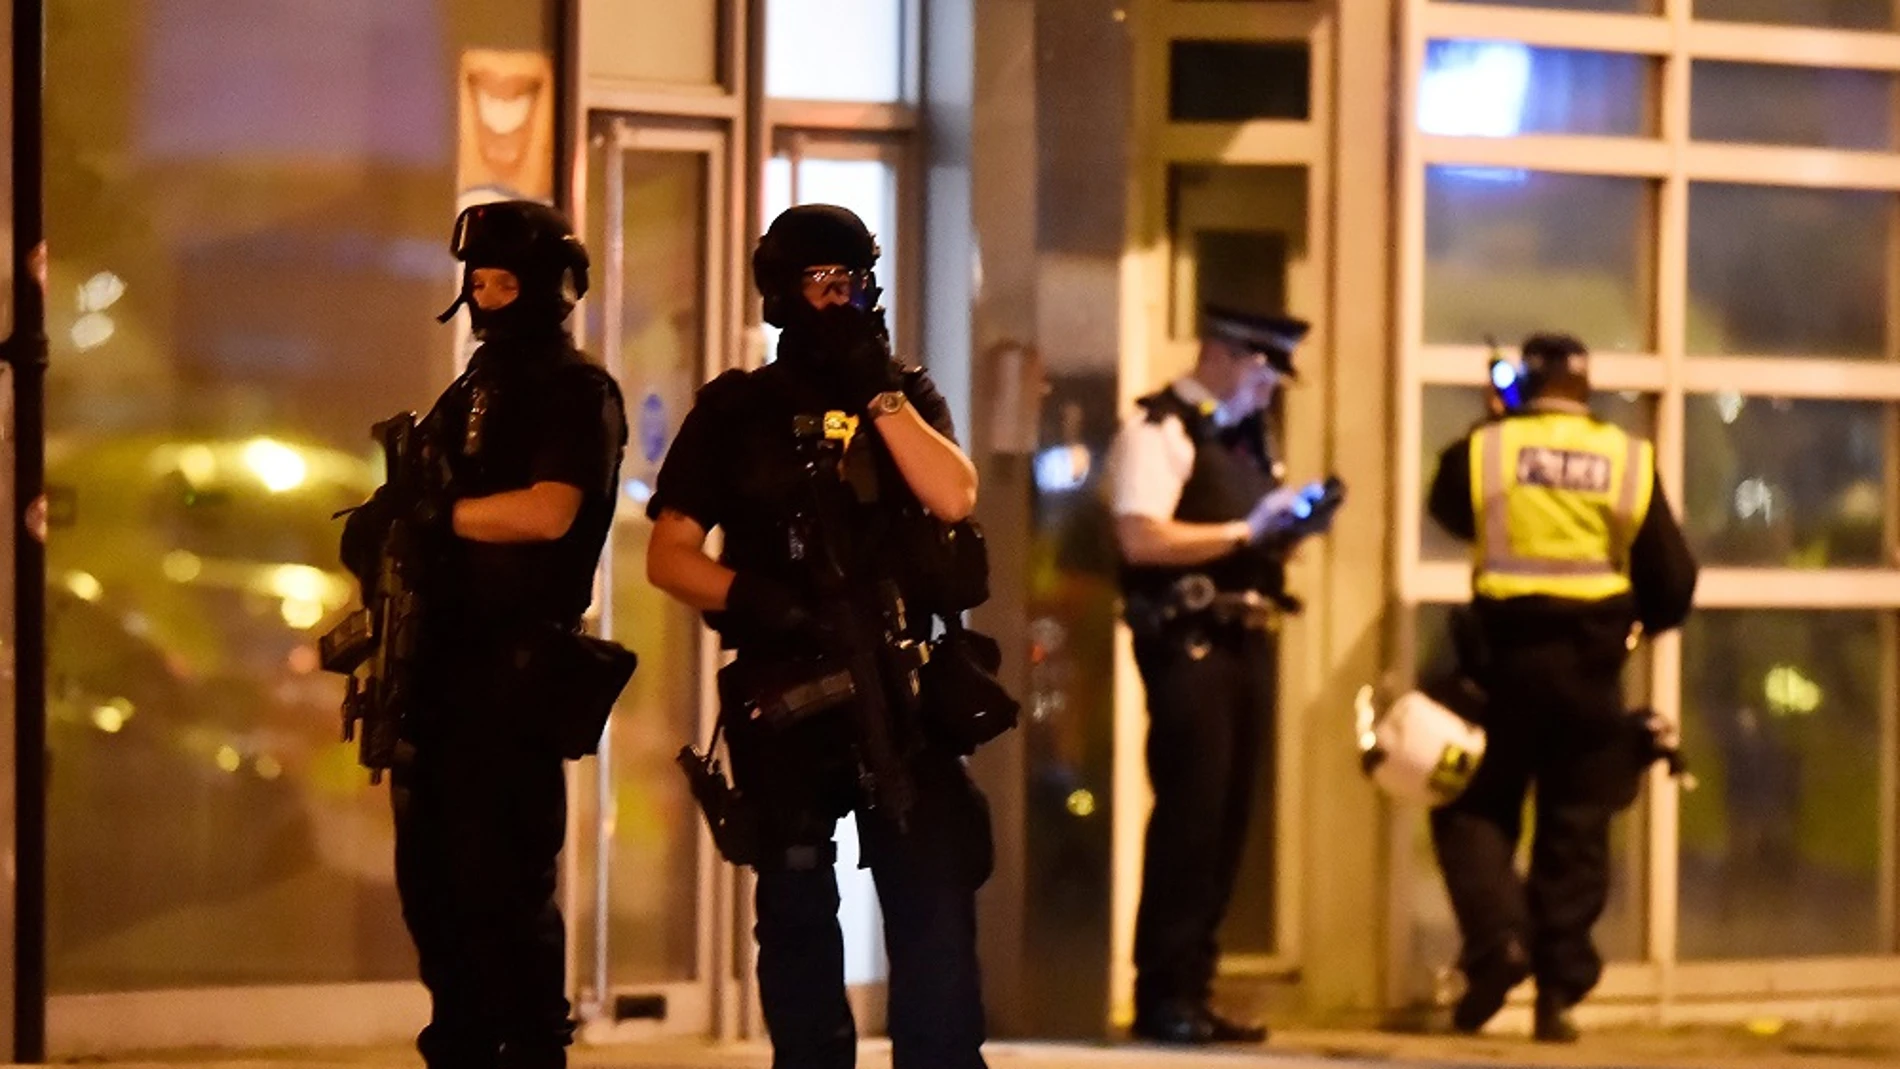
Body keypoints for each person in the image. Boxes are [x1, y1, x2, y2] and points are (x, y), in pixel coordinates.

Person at [646, 203, 992, 1069]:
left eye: (859, 281)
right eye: (826, 282)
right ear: (783, 291)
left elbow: (953, 495)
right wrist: (758, 598)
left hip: (899, 684)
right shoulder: (736, 411)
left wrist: (879, 394)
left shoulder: (902, 395)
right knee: (796, 907)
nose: (847, 298)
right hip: (789, 688)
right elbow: (670, 554)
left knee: (933, 904)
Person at [349, 200, 629, 1069]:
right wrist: (383, 526)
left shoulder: (574, 390)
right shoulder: (470, 388)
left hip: (512, 676)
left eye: (508, 283)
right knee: (433, 895)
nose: (489, 299)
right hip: (438, 672)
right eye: (479, 283)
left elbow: (550, 512)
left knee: (501, 893)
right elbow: (412, 511)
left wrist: (440, 517)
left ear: (551, 289)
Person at [1425, 332, 1697, 1043]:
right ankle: (1557, 995)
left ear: (1524, 380)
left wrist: (1496, 417)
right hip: (1590, 672)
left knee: (1471, 806)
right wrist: (1633, 627)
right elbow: (1672, 579)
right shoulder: (1627, 458)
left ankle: (1499, 943)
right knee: (1576, 827)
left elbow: (1449, 510)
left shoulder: (1488, 448)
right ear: (1586, 386)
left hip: (1501, 668)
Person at [1109, 305, 1330, 1044]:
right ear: (1218, 353)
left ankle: (1195, 991)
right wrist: (1245, 531)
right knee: (1190, 818)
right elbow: (1140, 536)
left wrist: (1287, 530)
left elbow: (1246, 540)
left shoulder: (1244, 438)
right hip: (1189, 643)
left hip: (1246, 638)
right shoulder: (1160, 428)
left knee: (1229, 822)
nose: (1270, 389)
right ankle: (1163, 994)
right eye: (1262, 370)